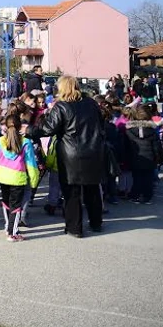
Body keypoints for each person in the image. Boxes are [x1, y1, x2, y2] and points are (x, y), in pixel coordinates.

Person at [35, 75, 105, 238]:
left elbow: (48, 129)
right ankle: (96, 223)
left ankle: (75, 227)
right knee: (92, 190)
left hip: (71, 154)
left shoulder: (62, 107)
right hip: (93, 151)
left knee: (71, 193)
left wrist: (30, 131)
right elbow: (100, 124)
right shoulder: (91, 103)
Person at [0, 114, 40, 242]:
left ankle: (8, 226)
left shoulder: (0, 141)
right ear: (19, 127)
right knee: (16, 206)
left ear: (6, 126)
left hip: (3, 177)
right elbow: (31, 164)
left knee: (6, 203)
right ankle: (13, 232)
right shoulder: (26, 143)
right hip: (18, 178)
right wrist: (34, 180)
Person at [124, 107, 163, 203]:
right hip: (149, 158)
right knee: (148, 179)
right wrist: (158, 158)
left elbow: (126, 147)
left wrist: (126, 158)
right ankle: (147, 196)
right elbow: (156, 147)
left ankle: (135, 195)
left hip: (135, 157)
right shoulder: (152, 131)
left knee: (136, 178)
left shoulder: (129, 131)